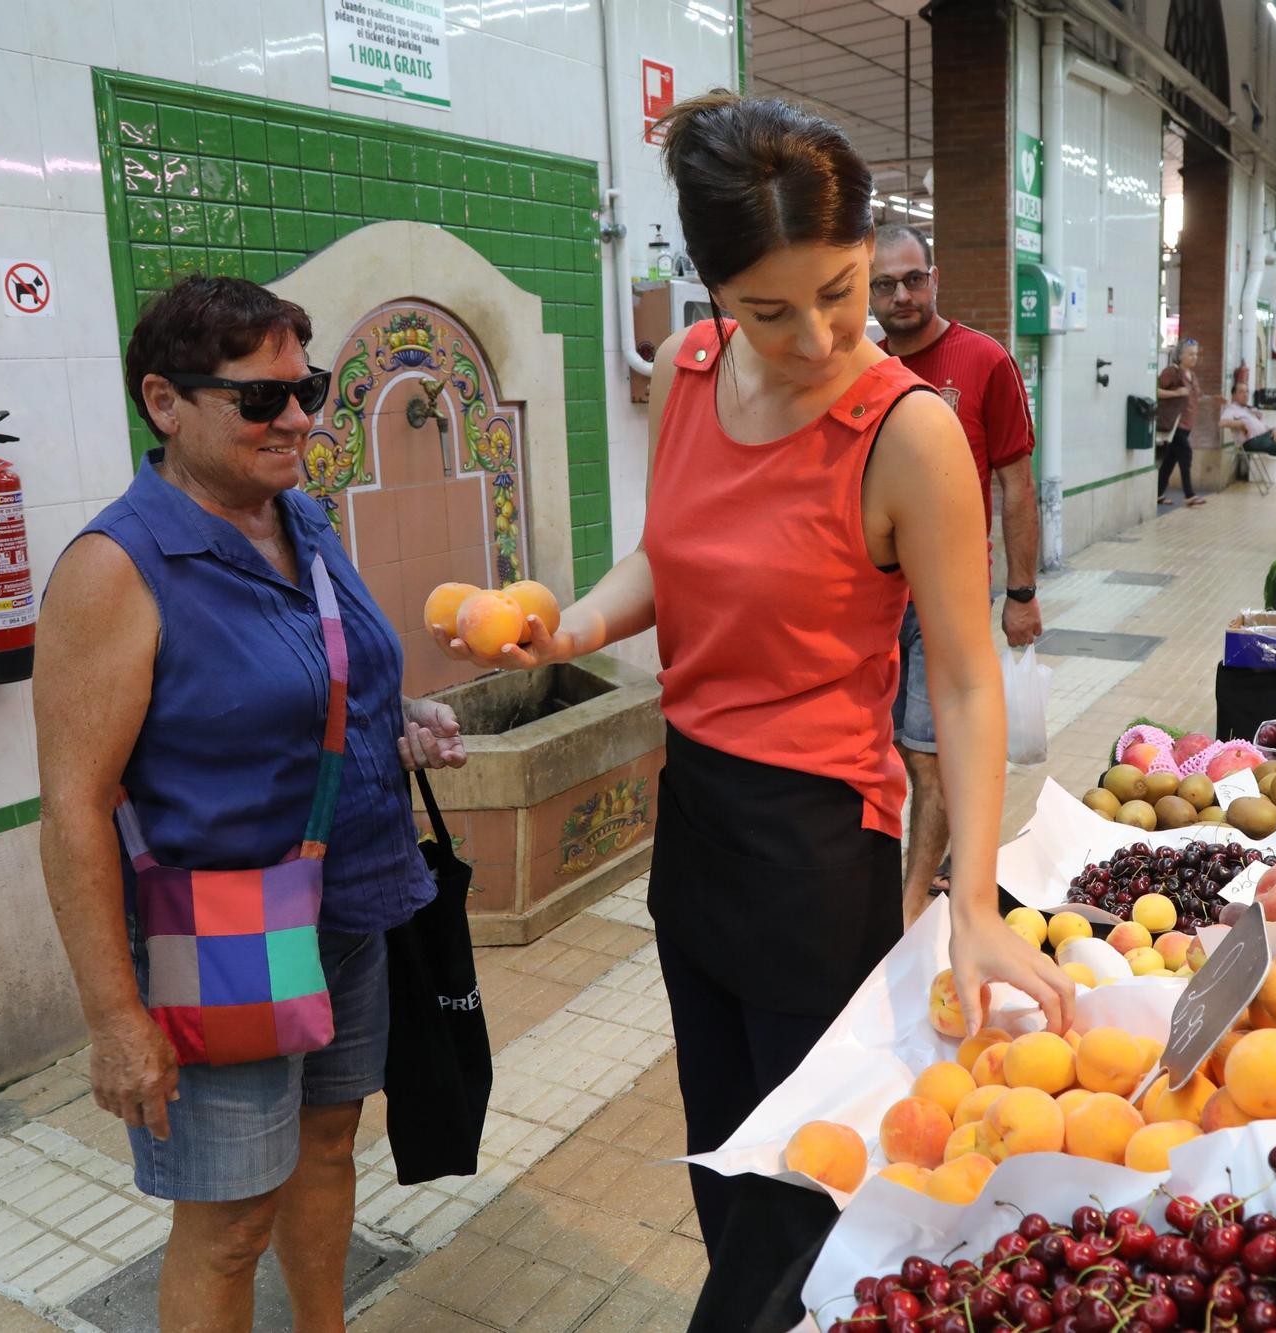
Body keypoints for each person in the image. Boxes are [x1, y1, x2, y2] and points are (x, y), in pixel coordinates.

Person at [431, 92, 1073, 1330]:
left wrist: (974, 902)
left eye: (840, 289)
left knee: (802, 1193)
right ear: (712, 293)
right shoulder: (689, 371)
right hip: (696, 820)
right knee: (722, 1153)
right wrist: (569, 625)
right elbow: (668, 557)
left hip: (816, 843)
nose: (820, 334)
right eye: (767, 309)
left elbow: (962, 678)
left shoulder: (908, 429)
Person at [34, 275, 469, 1333]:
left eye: (306, 388)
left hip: (351, 909)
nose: (300, 418)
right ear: (165, 401)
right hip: (224, 937)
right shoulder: (118, 568)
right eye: (262, 398)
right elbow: (72, 806)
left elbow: (311, 682)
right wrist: (115, 1021)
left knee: (327, 1149)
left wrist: (397, 720)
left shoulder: (303, 520)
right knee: (228, 1222)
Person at [869, 222, 1042, 926]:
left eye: (914, 278)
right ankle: (932, 871)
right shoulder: (864, 369)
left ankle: (911, 908)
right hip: (873, 594)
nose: (902, 294)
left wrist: (1023, 594)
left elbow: (1018, 486)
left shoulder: (983, 360)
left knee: (931, 756)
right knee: (892, 755)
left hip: (949, 593)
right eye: (884, 283)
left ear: (935, 278)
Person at [1156, 338, 1207, 507]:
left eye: (1196, 354)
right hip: (1175, 423)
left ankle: (1157, 493)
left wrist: (1215, 400)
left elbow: (1197, 397)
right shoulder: (1172, 372)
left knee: (1170, 460)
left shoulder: (1192, 376)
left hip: (1187, 425)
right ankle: (1189, 495)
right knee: (1186, 454)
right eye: (1190, 354)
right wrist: (1176, 392)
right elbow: (1155, 390)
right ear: (1180, 355)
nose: (1194, 358)